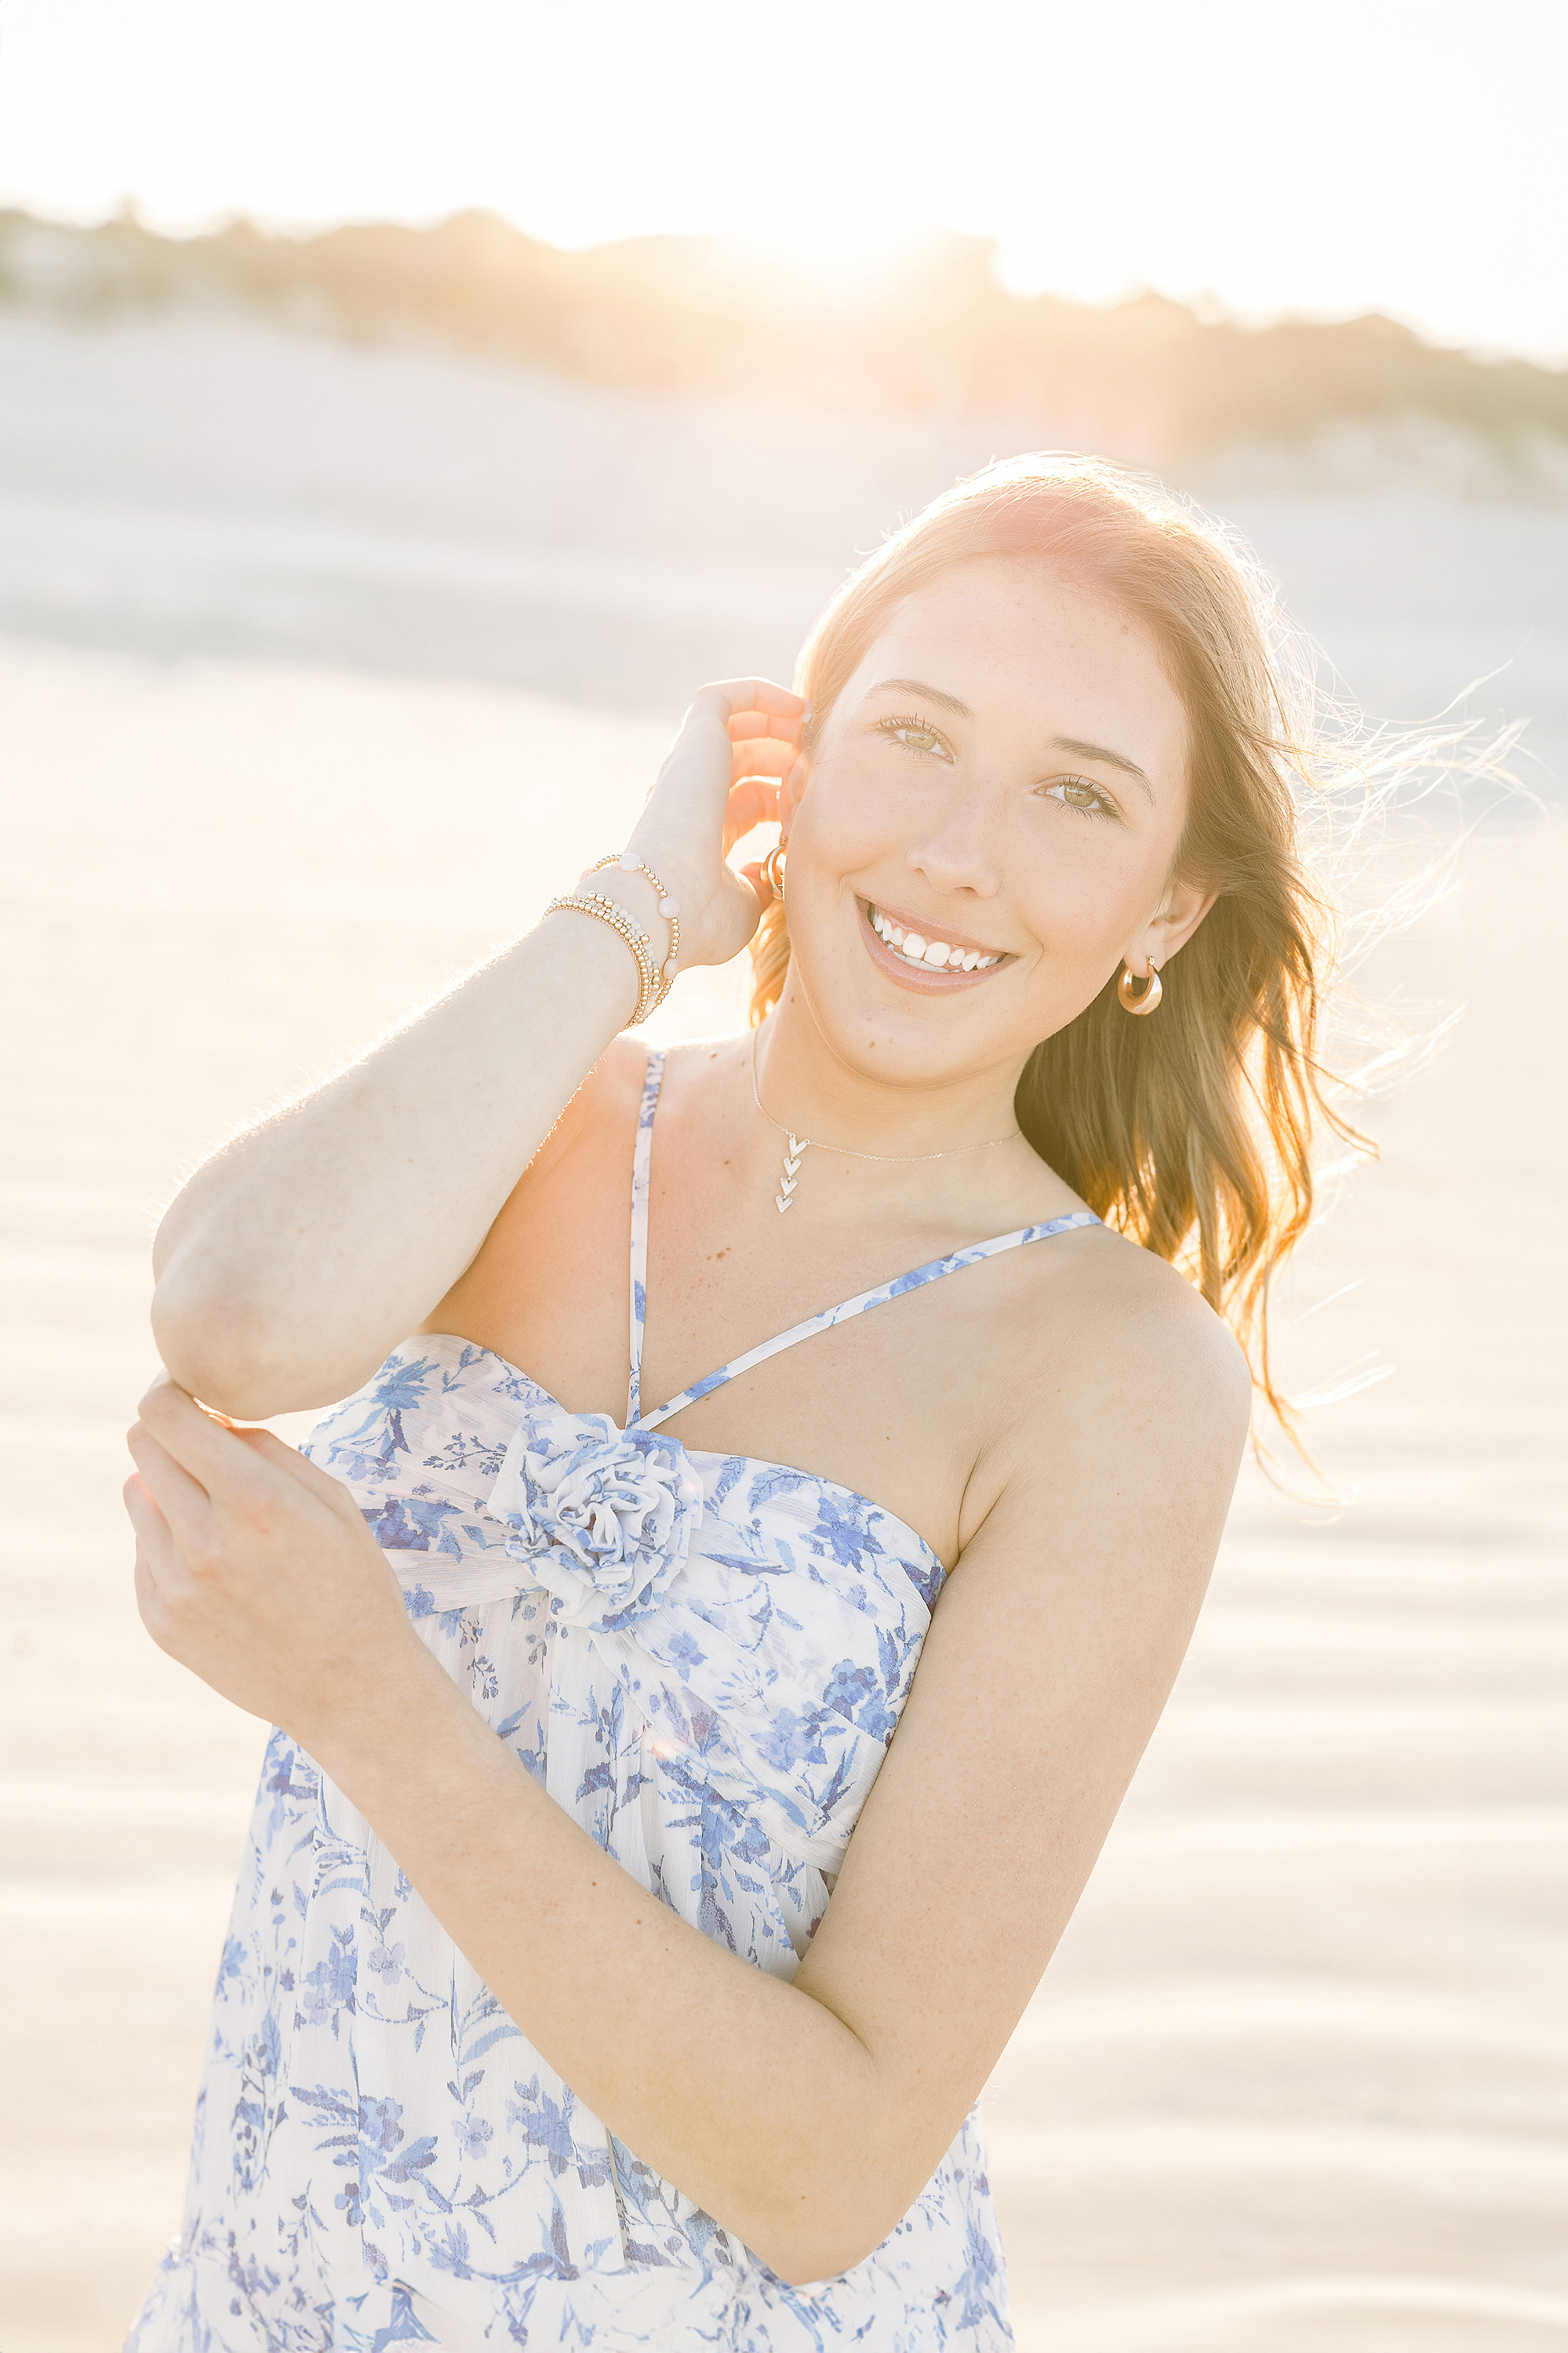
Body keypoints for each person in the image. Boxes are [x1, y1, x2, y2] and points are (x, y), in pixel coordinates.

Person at [122, 456, 1354, 2351]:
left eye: (1075, 797)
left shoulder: (1103, 1373)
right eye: (911, 741)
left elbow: (832, 2172)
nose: (956, 852)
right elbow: (237, 1312)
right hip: (271, 2293)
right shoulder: (540, 1118)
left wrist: (369, 1700)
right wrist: (634, 913)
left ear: (1166, 914)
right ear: (794, 760)